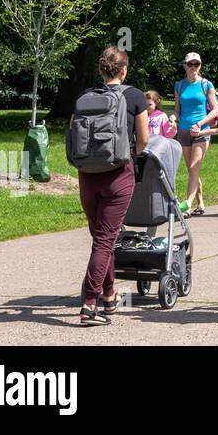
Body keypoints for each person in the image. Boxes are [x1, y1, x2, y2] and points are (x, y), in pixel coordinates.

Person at [74, 46, 150, 325]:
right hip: (119, 172)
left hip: (87, 173)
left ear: (100, 69)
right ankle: (88, 304)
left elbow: (74, 133)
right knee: (105, 241)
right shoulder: (134, 96)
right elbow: (143, 139)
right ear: (124, 69)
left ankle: (109, 297)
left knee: (100, 239)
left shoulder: (85, 96)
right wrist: (133, 155)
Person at [174, 51, 218, 215]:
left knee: (194, 167)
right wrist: (173, 118)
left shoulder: (206, 84)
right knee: (191, 169)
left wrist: (200, 124)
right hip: (184, 131)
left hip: (201, 130)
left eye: (197, 64)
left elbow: (215, 110)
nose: (193, 67)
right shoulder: (179, 85)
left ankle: (187, 205)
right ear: (185, 65)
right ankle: (200, 203)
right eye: (190, 64)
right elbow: (177, 110)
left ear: (200, 66)